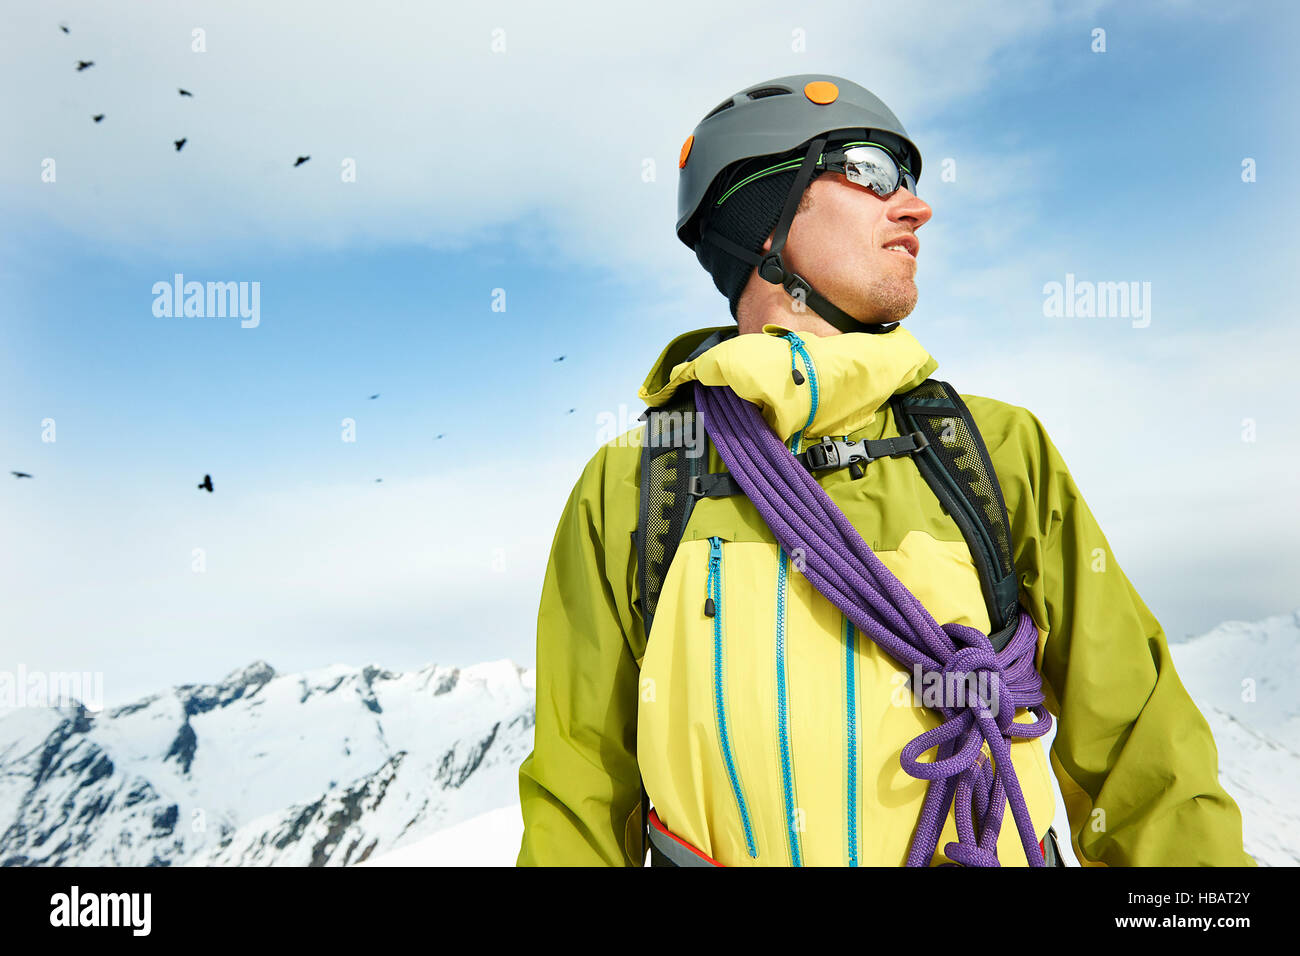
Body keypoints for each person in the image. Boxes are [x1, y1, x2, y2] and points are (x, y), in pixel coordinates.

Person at [516, 73, 1252, 866]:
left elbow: (1144, 761)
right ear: (761, 217)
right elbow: (580, 792)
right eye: (870, 170)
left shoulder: (992, 450)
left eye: (911, 179)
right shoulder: (638, 481)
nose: (915, 206)